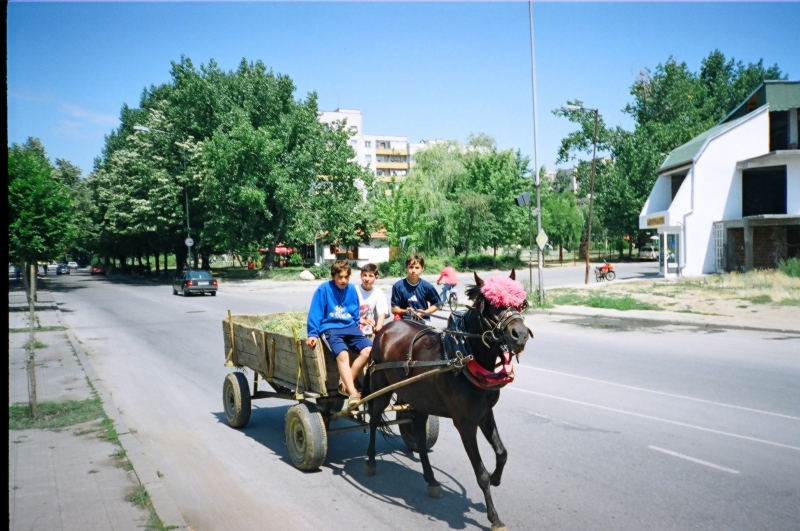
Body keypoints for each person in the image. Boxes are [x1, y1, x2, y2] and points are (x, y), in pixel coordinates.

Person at [306, 260, 371, 404]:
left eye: (346, 277)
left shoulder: (352, 289)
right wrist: (312, 333)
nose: (343, 280)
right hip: (330, 328)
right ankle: (353, 392)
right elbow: (315, 313)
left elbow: (355, 310)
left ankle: (346, 383)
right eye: (340, 277)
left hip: (350, 327)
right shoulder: (324, 289)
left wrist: (356, 323)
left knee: (369, 349)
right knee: (343, 354)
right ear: (333, 276)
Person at [391, 253, 442, 322]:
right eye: (411, 267)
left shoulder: (427, 286)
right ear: (406, 267)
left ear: (422, 268)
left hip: (423, 321)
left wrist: (424, 312)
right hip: (404, 322)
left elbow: (437, 304)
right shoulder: (398, 286)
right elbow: (393, 309)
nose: (414, 271)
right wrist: (406, 311)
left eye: (417, 267)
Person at [355, 263, 388, 336]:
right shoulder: (354, 290)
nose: (367, 279)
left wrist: (378, 328)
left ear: (376, 277)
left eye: (370, 276)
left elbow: (381, 313)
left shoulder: (379, 293)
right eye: (365, 275)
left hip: (370, 328)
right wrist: (361, 321)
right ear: (360, 276)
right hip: (355, 326)